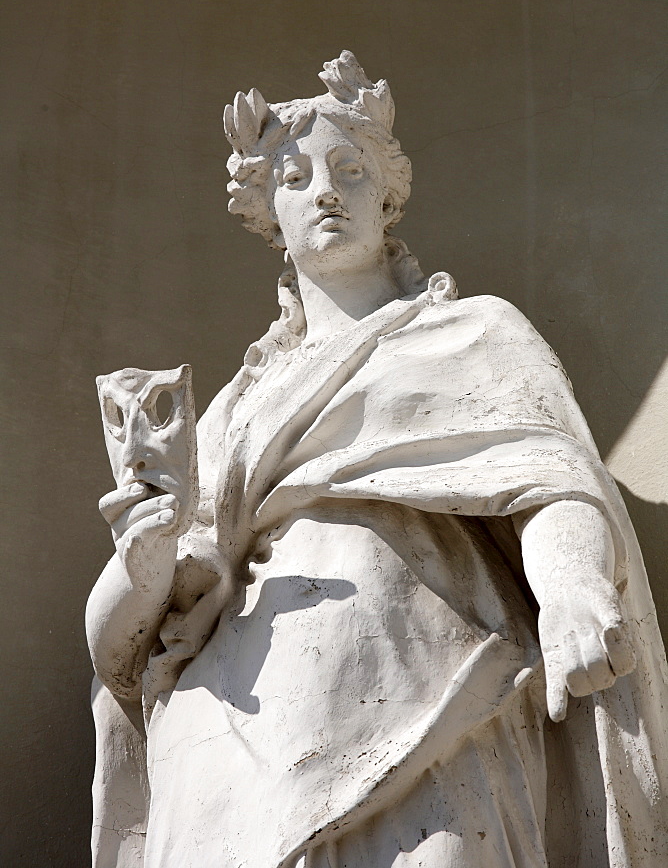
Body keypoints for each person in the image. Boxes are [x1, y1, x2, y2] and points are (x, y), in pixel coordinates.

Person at [87, 52, 668, 868]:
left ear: (387, 195)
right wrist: (141, 563)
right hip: (238, 743)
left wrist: (571, 590)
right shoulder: (232, 411)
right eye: (294, 177)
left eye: (349, 169)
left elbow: (551, 482)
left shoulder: (476, 334)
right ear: (268, 215)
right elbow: (127, 648)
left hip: (438, 695)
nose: (324, 190)